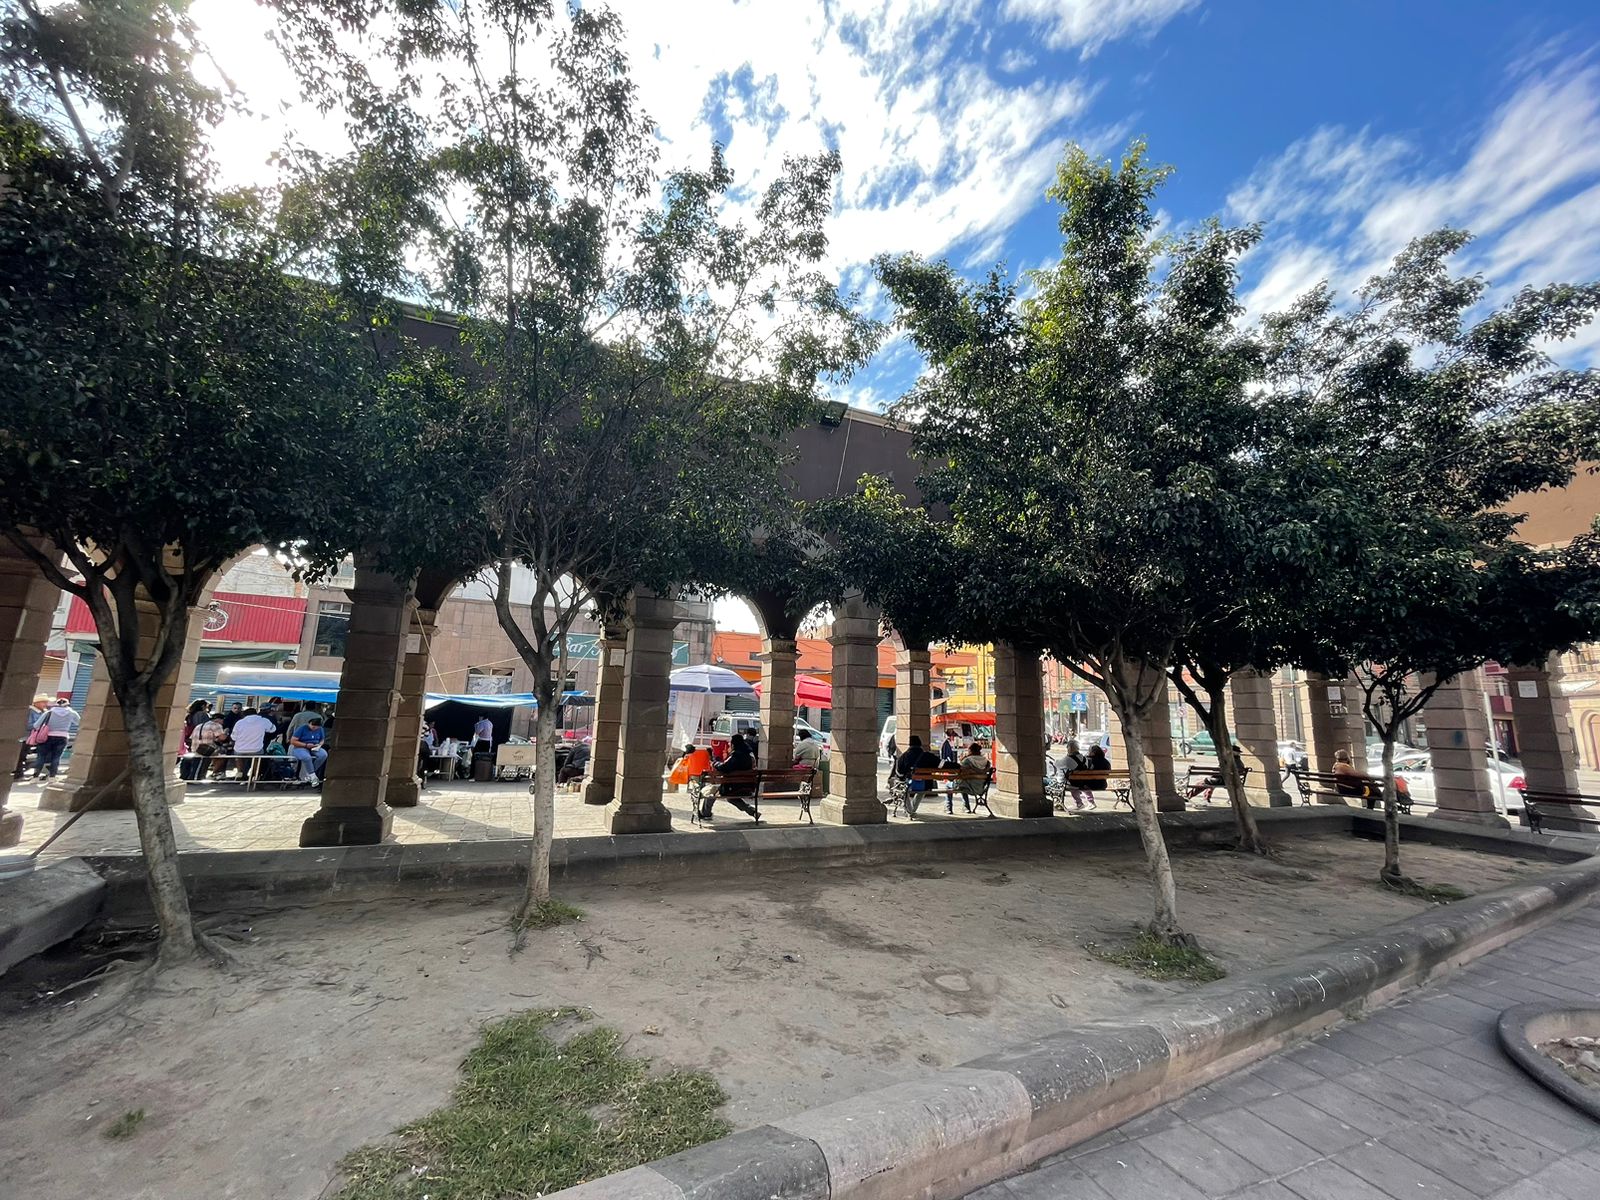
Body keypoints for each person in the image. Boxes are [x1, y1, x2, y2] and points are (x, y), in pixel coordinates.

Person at [705, 732, 758, 820]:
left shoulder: (736, 756)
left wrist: (714, 763)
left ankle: (705, 814)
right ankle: (752, 811)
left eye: (730, 744)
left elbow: (724, 767)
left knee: (711, 791)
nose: (730, 745)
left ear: (734, 744)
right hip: (748, 788)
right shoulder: (749, 755)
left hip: (732, 788)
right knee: (731, 798)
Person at [35, 697, 79, 780]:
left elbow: (36, 725)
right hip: (62, 737)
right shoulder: (72, 713)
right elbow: (79, 723)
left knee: (41, 756)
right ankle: (52, 777)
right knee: (56, 757)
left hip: (46, 737)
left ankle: (35, 776)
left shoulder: (49, 712)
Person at [895, 735, 939, 817]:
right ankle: (912, 810)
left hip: (908, 785)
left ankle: (909, 810)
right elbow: (940, 764)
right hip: (925, 785)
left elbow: (898, 772)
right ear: (920, 744)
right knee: (921, 790)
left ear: (910, 744)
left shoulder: (904, 756)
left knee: (904, 790)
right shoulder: (927, 756)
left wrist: (902, 777)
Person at [15, 694, 50, 780]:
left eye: (46, 702)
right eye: (43, 702)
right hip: (28, 738)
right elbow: (28, 725)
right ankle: (19, 774)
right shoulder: (31, 712)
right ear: (36, 703)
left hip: (38, 738)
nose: (45, 704)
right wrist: (40, 725)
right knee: (22, 756)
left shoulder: (44, 712)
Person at [288, 715, 328, 785]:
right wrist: (305, 745)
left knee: (323, 755)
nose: (314, 728)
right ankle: (312, 775)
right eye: (312, 726)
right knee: (306, 757)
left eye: (316, 727)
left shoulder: (320, 729)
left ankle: (310, 772)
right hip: (301, 746)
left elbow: (322, 739)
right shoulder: (302, 728)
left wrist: (319, 745)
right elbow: (293, 741)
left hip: (314, 746)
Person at [1058, 739, 1093, 810]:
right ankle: (1091, 802)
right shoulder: (1084, 758)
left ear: (1070, 748)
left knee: (1065, 783)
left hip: (1073, 783)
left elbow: (1058, 764)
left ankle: (1079, 803)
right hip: (1084, 782)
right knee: (1078, 784)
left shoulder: (1068, 759)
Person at [955, 741, 990, 814]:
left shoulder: (967, 760)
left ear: (970, 750)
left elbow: (960, 772)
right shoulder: (986, 761)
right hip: (980, 788)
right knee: (963, 783)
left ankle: (951, 807)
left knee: (949, 785)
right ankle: (966, 807)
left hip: (968, 787)